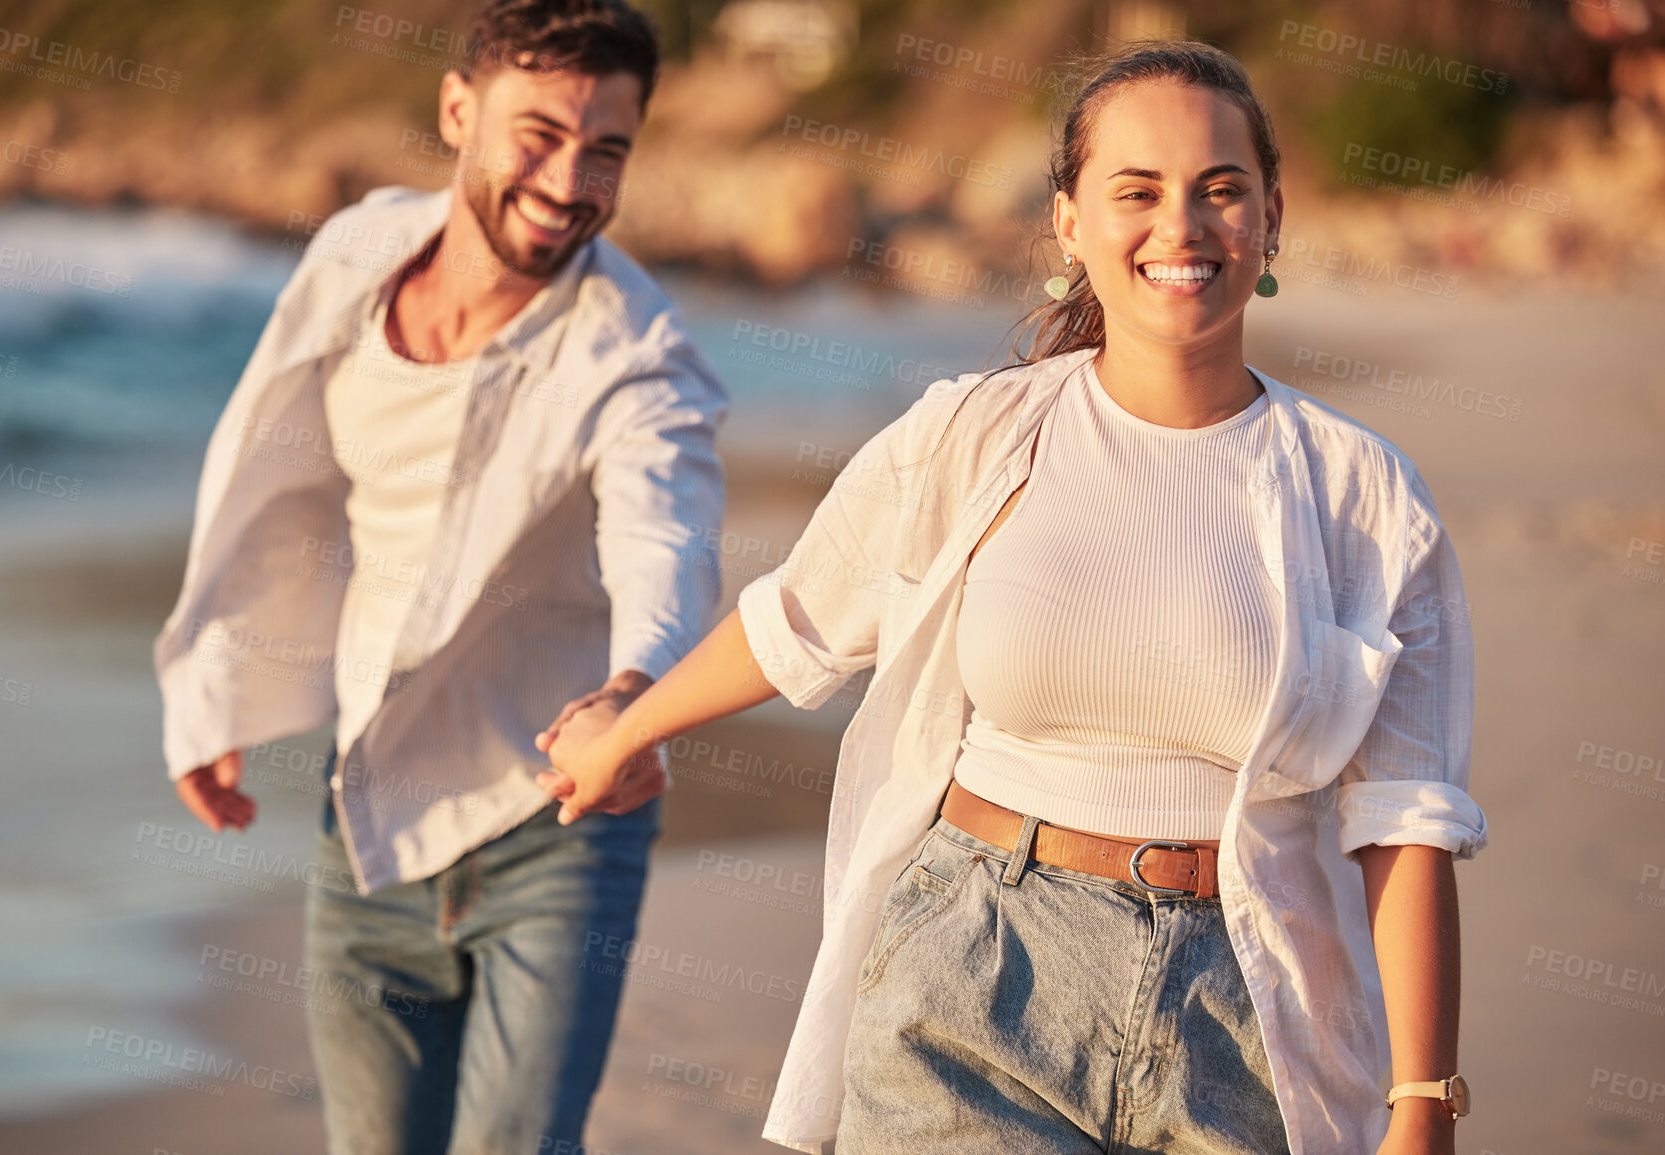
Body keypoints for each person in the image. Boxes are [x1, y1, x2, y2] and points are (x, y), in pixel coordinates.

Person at [537, 39, 1485, 1155]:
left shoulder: (1364, 496)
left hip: (1247, 1014)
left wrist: (1422, 1105)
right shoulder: (976, 433)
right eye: (1136, 191)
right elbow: (801, 615)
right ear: (1072, 222)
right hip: (979, 971)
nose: (1180, 227)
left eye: (1219, 190)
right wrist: (625, 729)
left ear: (1271, 217)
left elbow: (1405, 820)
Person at [152, 1, 727, 1151]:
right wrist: (217, 687)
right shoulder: (359, 251)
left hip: (557, 818)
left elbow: (666, 535)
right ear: (457, 110)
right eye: (540, 133)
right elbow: (276, 475)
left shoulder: (636, 351)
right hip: (365, 807)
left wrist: (637, 685)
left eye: (607, 148)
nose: (571, 180)